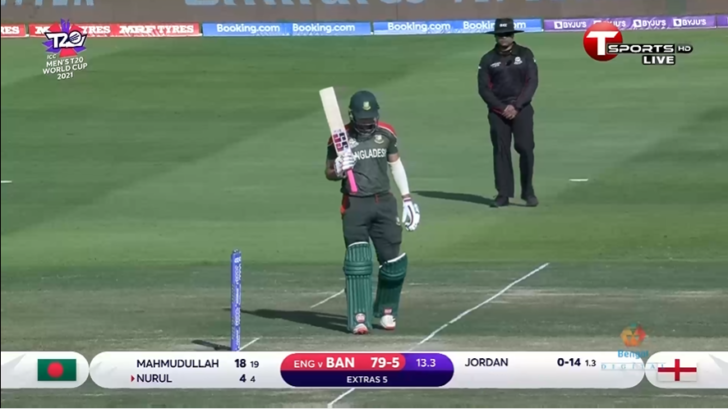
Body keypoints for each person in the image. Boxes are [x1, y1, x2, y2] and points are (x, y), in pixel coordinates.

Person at [324, 90, 420, 335]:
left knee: (392, 261)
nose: (368, 124)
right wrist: (338, 168)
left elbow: (395, 163)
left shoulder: (386, 133)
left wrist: (407, 198)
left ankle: (386, 310)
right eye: (363, 119)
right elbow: (328, 172)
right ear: (352, 116)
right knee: (358, 261)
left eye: (371, 119)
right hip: (354, 204)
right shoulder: (339, 138)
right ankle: (359, 316)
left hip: (384, 202)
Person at [477, 18, 540, 207]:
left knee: (525, 148)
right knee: (501, 151)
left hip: (522, 108)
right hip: (498, 111)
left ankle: (528, 191)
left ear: (513, 36)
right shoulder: (488, 59)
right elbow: (483, 89)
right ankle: (503, 195)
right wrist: (502, 108)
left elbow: (532, 81)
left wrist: (517, 106)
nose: (504, 38)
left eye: (507, 34)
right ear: (495, 37)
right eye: (500, 35)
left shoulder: (525, 54)